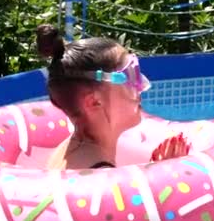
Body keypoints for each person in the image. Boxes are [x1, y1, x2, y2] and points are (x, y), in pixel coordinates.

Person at [36, 24, 190, 170]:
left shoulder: (67, 152)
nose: (142, 85)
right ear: (94, 102)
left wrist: (151, 172)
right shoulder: (100, 174)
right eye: (130, 75)